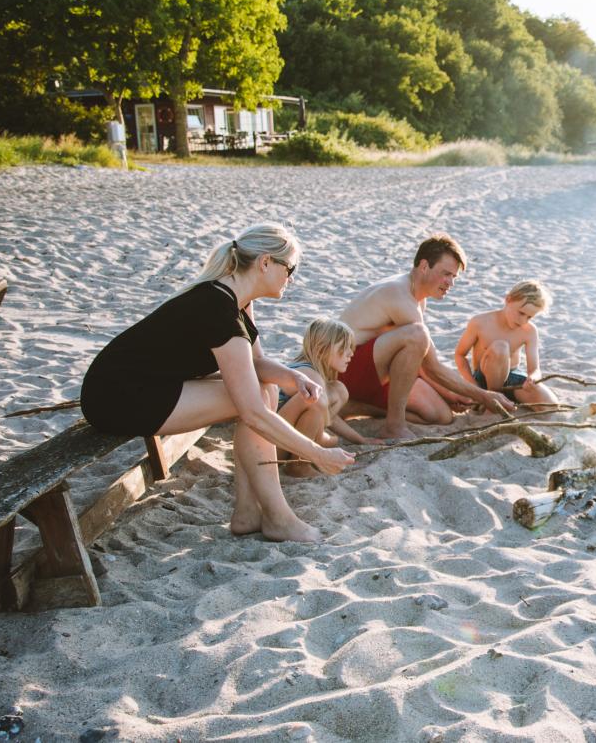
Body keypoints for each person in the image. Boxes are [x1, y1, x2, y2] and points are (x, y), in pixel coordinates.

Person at [80, 223, 354, 543]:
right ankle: (277, 517)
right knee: (256, 401)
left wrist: (290, 375)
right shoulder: (220, 310)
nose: (291, 278)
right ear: (266, 262)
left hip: (141, 385)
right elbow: (252, 413)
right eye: (290, 268)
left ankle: (248, 513)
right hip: (117, 397)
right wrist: (316, 453)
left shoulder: (235, 300)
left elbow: (253, 363)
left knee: (265, 389)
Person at [337, 235, 513, 439]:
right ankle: (394, 426)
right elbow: (432, 366)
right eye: (446, 274)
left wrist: (452, 394)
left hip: (376, 370)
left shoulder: (418, 297)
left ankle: (356, 407)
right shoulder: (398, 293)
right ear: (423, 266)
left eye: (453, 277)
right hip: (346, 369)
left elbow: (419, 358)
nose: (450, 283)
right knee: (417, 335)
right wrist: (484, 396)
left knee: (441, 416)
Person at [454, 280, 559, 407]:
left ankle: (503, 398)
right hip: (483, 380)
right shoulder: (480, 322)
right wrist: (473, 385)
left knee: (550, 404)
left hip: (512, 378)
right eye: (521, 313)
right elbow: (460, 355)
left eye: (529, 317)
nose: (523, 321)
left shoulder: (529, 331)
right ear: (508, 299)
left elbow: (534, 369)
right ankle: (493, 404)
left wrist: (533, 378)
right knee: (501, 348)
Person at [281, 317, 375, 452]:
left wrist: (361, 440)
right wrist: (323, 441)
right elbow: (318, 409)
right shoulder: (309, 373)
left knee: (338, 390)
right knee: (316, 401)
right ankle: (299, 465)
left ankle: (315, 443)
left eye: (350, 347)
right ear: (321, 350)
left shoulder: (310, 370)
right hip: (275, 444)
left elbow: (329, 416)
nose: (351, 353)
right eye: (344, 347)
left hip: (282, 439)